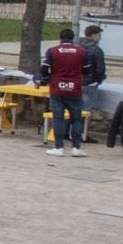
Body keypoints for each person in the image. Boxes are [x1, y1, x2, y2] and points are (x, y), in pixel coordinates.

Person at [40, 23, 91, 157]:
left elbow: (44, 69)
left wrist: (47, 78)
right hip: (75, 88)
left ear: (60, 38)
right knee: (76, 119)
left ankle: (59, 147)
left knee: (58, 119)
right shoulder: (81, 52)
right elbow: (86, 70)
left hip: (57, 88)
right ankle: (76, 148)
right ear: (73, 38)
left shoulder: (52, 51)